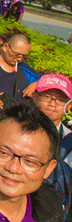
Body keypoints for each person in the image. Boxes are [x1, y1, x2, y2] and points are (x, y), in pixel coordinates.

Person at [32, 74, 72, 217]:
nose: (53, 104)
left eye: (61, 100)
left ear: (69, 106)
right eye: (47, 96)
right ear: (34, 97)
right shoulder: (14, 131)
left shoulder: (70, 141)